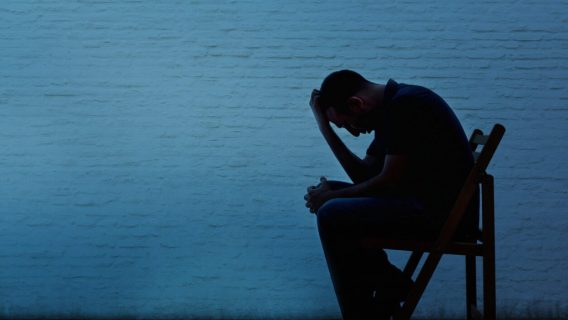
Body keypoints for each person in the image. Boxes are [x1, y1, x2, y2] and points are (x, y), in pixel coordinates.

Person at [304, 70, 477, 319]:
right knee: (333, 201)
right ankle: (389, 281)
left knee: (332, 213)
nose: (355, 132)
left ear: (356, 103)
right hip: (424, 206)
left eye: (347, 124)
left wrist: (331, 199)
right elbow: (365, 177)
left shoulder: (408, 105)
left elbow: (386, 183)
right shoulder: (393, 108)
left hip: (442, 217)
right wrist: (325, 128)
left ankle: (372, 301)